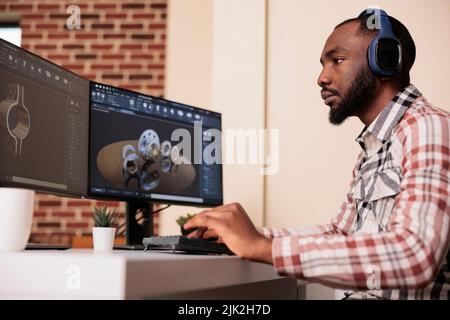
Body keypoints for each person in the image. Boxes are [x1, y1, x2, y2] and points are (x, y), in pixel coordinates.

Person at [184, 8, 450, 299]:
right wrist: (249, 234)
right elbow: (341, 234)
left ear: (384, 61)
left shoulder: (428, 126)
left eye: (337, 60)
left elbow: (416, 255)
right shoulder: (374, 146)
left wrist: (262, 248)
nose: (322, 78)